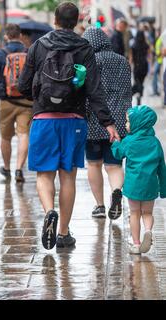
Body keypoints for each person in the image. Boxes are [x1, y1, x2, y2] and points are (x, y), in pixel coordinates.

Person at [18, 2, 119, 250]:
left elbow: (23, 85)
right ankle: (63, 232)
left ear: (55, 19)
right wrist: (108, 122)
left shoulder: (39, 46)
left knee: (44, 174)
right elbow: (94, 89)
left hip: (44, 119)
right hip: (74, 120)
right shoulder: (84, 47)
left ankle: (49, 211)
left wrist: (40, 98)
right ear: (76, 21)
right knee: (68, 177)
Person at [82, 27, 132, 220]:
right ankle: (117, 191)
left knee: (94, 164)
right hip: (120, 122)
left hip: (95, 120)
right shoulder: (123, 61)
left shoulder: (90, 62)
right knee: (114, 166)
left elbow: (89, 92)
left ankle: (100, 206)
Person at [0, 23, 33, 183]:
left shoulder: (0, 54)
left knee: (6, 137)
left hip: (6, 102)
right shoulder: (29, 52)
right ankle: (19, 169)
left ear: (6, 36)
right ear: (20, 35)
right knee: (23, 135)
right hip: (26, 102)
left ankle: (7, 168)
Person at [111, 106, 166, 255]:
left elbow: (118, 154)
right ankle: (148, 231)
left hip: (133, 185)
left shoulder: (129, 141)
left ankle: (136, 244)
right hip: (151, 185)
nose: (126, 125)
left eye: (128, 121)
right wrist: (163, 189)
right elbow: (162, 167)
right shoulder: (155, 143)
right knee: (147, 213)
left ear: (138, 123)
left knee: (134, 213)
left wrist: (116, 143)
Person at [132, 30, 150, 105]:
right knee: (141, 82)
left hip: (137, 65)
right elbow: (149, 56)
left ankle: (134, 92)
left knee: (137, 81)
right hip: (144, 65)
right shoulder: (146, 45)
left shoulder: (133, 45)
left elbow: (131, 57)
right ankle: (139, 94)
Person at [152, 31, 163, 96]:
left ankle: (155, 90)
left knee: (155, 75)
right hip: (158, 60)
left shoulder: (160, 40)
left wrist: (158, 54)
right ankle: (155, 90)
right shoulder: (159, 40)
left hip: (159, 60)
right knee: (156, 76)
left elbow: (159, 52)